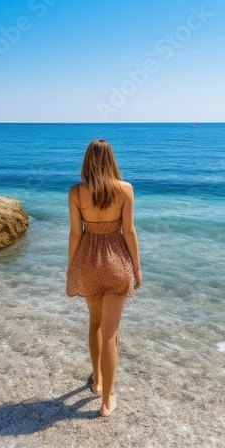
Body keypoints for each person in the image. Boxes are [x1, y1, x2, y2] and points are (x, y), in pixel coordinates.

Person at [66, 138, 141, 418]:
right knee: (111, 332)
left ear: (87, 161)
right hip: (116, 262)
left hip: (87, 261)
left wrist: (72, 266)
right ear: (111, 160)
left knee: (95, 322)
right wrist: (136, 268)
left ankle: (96, 381)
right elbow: (129, 231)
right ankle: (106, 403)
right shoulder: (125, 189)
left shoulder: (76, 192)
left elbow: (75, 233)